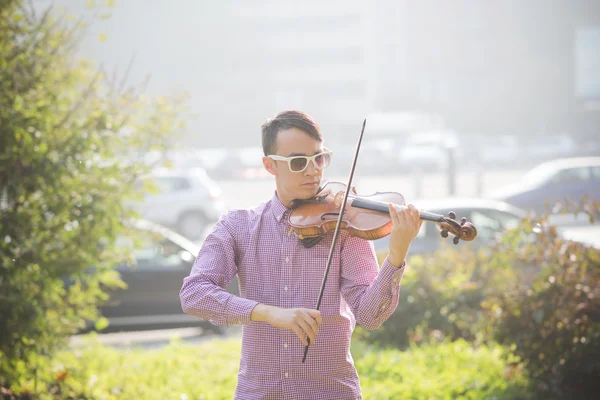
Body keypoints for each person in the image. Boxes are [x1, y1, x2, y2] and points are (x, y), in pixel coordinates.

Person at [180, 110, 422, 399]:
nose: (313, 171)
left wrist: (396, 254)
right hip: (259, 392)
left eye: (319, 158)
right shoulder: (238, 226)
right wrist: (267, 313)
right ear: (270, 165)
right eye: (298, 162)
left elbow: (370, 316)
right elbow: (194, 294)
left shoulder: (344, 224)